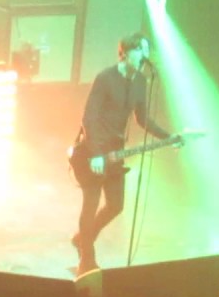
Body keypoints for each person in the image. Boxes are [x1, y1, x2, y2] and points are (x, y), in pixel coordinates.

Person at [71, 32, 175, 273]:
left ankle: (82, 238)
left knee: (116, 205)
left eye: (147, 50)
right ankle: (87, 258)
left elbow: (142, 118)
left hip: (116, 152)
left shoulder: (139, 82)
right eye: (140, 49)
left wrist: (168, 137)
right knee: (90, 204)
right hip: (92, 151)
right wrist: (96, 152)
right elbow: (89, 117)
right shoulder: (105, 78)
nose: (144, 55)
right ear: (125, 53)